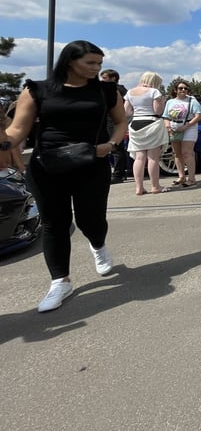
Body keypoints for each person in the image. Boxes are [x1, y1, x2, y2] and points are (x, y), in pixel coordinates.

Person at [0, 40, 127, 312]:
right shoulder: (38, 90)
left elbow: (120, 122)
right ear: (70, 61)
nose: (96, 68)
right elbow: (17, 131)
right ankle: (61, 281)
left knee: (90, 219)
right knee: (54, 224)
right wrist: (3, 143)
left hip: (92, 163)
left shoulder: (106, 91)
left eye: (99, 64)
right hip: (48, 165)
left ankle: (98, 244)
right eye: (90, 63)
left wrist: (112, 144)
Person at [124, 71, 170, 195]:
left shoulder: (130, 92)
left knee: (139, 158)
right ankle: (155, 187)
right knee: (153, 158)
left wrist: (138, 111)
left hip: (135, 124)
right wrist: (162, 101)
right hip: (151, 123)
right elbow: (158, 111)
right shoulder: (154, 92)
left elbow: (126, 111)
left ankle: (139, 188)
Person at [164, 81, 201, 187]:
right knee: (177, 153)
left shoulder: (192, 101)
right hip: (174, 127)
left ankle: (192, 178)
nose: (183, 90)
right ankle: (181, 176)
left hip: (189, 127)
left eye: (186, 88)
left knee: (187, 153)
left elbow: (198, 116)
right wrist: (168, 126)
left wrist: (186, 126)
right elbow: (166, 116)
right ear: (175, 90)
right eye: (181, 88)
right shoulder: (170, 102)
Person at [101, 68, 129, 183]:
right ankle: (120, 173)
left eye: (104, 78)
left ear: (113, 78)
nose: (102, 80)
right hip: (108, 122)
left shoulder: (118, 90)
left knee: (116, 148)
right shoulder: (117, 90)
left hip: (114, 122)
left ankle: (118, 175)